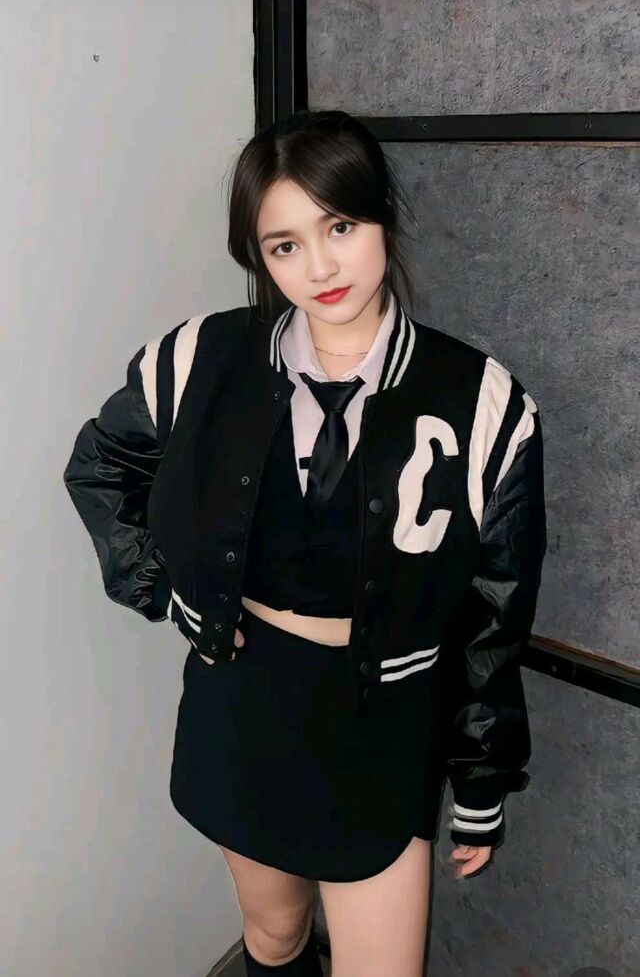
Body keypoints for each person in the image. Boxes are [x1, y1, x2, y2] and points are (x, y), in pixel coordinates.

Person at [63, 108, 547, 977]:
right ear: (258, 255)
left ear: (382, 215)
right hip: (241, 705)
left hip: (381, 721)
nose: (319, 267)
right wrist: (161, 589)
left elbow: (496, 610)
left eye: (340, 227)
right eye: (284, 245)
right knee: (275, 937)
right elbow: (99, 466)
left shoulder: (483, 401)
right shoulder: (198, 358)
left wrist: (481, 776)